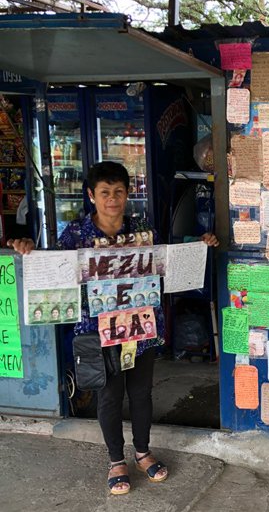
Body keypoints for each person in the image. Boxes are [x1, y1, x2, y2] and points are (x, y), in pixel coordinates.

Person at [9, 161, 219, 496]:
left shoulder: (142, 229)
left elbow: (167, 261)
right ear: (92, 195)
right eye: (105, 193)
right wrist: (29, 250)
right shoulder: (75, 236)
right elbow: (55, 271)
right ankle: (116, 460)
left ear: (128, 193)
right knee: (109, 395)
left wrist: (200, 244)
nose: (112, 199)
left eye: (119, 192)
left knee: (141, 394)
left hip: (141, 326)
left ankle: (143, 452)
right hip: (97, 331)